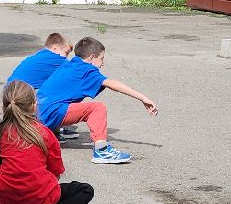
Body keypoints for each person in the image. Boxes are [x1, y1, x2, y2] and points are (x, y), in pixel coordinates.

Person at [34, 37, 156, 165]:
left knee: (66, 98)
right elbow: (112, 84)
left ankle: (54, 132)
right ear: (91, 57)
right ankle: (102, 150)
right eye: (101, 59)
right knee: (97, 108)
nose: (102, 63)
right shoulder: (87, 70)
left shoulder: (71, 63)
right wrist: (143, 98)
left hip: (38, 113)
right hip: (50, 113)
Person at [6, 33, 72, 88]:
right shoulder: (57, 60)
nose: (66, 57)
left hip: (8, 91)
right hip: (22, 95)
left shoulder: (38, 56)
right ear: (54, 48)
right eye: (66, 53)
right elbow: (74, 70)